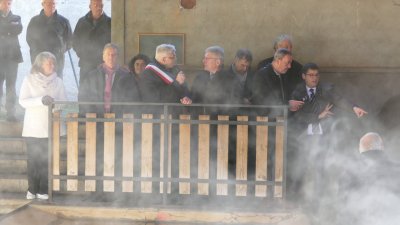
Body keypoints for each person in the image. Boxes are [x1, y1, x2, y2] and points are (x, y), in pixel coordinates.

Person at [288, 62, 367, 210]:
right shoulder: (297, 92)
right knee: (305, 166)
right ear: (303, 76)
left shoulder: (325, 89)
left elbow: (339, 99)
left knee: (324, 164)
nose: (314, 78)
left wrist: (354, 108)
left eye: (317, 75)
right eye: (311, 75)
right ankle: (303, 199)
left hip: (322, 135)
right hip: (303, 135)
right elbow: (297, 114)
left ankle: (324, 198)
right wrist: (318, 116)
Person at [19, 51, 67, 200]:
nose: (52, 65)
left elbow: (64, 103)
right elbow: (22, 101)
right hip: (33, 128)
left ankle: (43, 189)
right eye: (49, 63)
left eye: (53, 63)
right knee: (33, 160)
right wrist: (40, 100)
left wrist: (54, 105)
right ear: (40, 65)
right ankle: (32, 189)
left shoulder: (58, 81)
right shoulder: (29, 79)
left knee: (47, 160)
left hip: (51, 128)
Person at [78, 43, 135, 116]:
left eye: (114, 55)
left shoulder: (127, 77)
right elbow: (83, 97)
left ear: (118, 57)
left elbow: (132, 98)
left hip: (119, 120)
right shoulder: (92, 76)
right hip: (96, 119)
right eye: (108, 54)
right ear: (103, 57)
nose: (111, 57)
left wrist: (122, 115)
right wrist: (90, 114)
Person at [26, 0, 72, 78]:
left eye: (53, 3)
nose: (52, 5)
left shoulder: (64, 21)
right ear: (43, 4)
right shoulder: (34, 21)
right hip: (38, 60)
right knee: (38, 85)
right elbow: (29, 39)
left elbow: (70, 41)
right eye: (49, 3)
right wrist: (38, 52)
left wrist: (60, 50)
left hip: (57, 60)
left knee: (56, 85)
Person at [191, 45, 241, 114]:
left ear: (218, 62)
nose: (203, 61)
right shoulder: (199, 77)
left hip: (222, 121)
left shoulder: (231, 79)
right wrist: (188, 100)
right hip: (201, 120)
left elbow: (234, 103)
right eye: (204, 58)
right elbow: (193, 99)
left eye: (207, 58)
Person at [73, 0, 111, 83]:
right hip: (86, 63)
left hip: (103, 64)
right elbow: (75, 40)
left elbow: (113, 44)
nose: (99, 7)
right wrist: (81, 53)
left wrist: (106, 58)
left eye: (101, 5)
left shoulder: (109, 23)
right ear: (90, 6)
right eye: (96, 5)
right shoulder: (82, 22)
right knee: (84, 90)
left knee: (101, 90)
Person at [251, 48, 293, 115]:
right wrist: (288, 104)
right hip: (265, 120)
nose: (289, 66)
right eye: (287, 63)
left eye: (290, 63)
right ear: (278, 61)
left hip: (281, 118)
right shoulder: (261, 75)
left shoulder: (283, 75)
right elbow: (260, 101)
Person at [0, 0, 22, 121]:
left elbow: (18, 30)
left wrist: (4, 28)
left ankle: (10, 113)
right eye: (3, 3)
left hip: (12, 58)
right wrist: (9, 29)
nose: (6, 5)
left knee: (11, 86)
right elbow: (11, 30)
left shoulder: (17, 17)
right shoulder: (13, 20)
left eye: (8, 3)